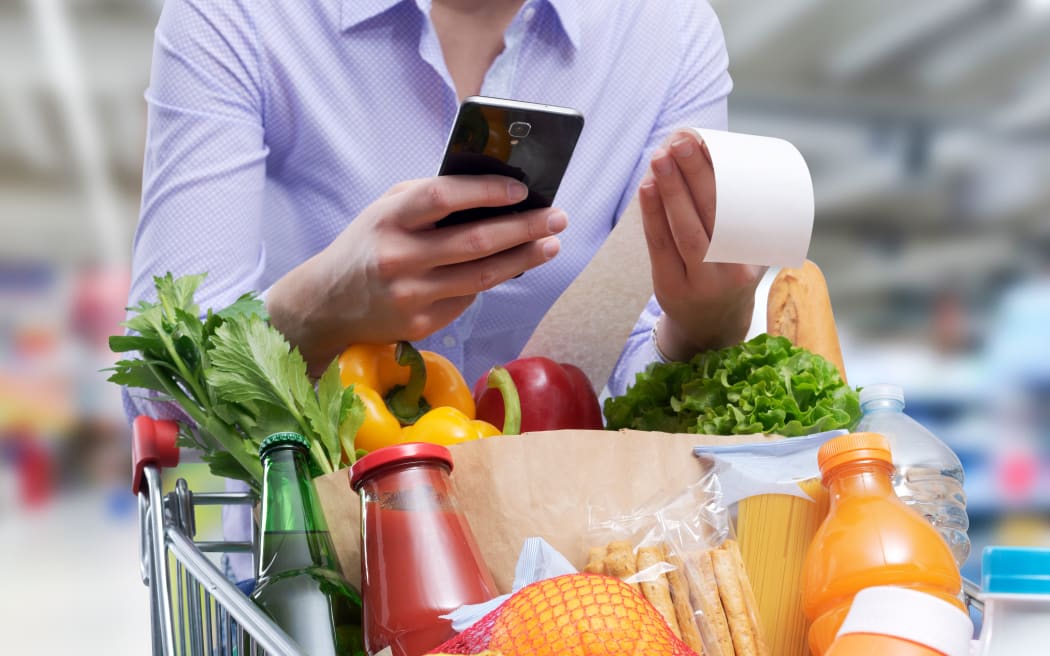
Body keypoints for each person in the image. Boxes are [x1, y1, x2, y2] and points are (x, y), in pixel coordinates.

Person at [126, 0, 765, 580]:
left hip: (548, 571)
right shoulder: (238, 16)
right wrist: (320, 308)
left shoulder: (667, 32)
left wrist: (700, 326)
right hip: (309, 565)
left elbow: (638, 377)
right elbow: (158, 385)